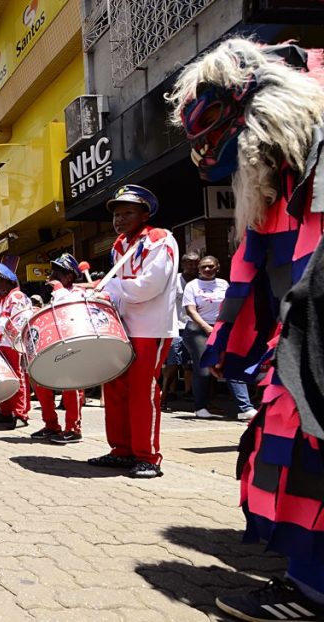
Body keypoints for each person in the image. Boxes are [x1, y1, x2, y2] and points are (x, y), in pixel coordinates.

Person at [168, 38, 324, 620]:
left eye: (211, 123)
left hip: (314, 347)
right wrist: (234, 343)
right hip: (299, 342)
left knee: (304, 445)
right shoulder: (278, 184)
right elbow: (256, 271)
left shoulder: (312, 159)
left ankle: (312, 593)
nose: (204, 146)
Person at [82, 184, 178, 479]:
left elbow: (150, 286)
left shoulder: (159, 239)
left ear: (145, 213)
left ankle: (148, 456)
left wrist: (105, 286)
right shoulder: (119, 245)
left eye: (127, 213)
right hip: (122, 327)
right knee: (115, 389)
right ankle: (121, 450)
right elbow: (120, 292)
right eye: (116, 214)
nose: (119, 220)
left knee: (141, 391)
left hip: (150, 327)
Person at [181, 256, 257, 421]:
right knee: (204, 369)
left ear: (217, 267)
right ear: (199, 269)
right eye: (203, 267)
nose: (207, 270)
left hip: (221, 329)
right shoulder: (192, 286)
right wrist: (206, 327)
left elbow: (230, 306)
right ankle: (200, 407)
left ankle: (245, 408)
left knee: (230, 364)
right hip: (197, 330)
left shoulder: (224, 284)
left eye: (210, 267)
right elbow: (191, 311)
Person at [30, 254, 86, 443]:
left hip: (74, 345)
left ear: (69, 276)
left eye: (57, 272)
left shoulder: (77, 293)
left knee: (71, 387)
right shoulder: (57, 294)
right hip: (55, 345)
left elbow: (70, 312)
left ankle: (73, 429)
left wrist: (58, 288)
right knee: (41, 383)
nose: (52, 276)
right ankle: (51, 425)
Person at [0, 263, 32, 429]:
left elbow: (18, 322)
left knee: (17, 378)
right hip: (1, 343)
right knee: (3, 378)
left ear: (7, 281)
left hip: (12, 344)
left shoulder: (17, 297)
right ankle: (5, 412)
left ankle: (20, 414)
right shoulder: (2, 299)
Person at [162, 251, 200, 411]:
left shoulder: (201, 281)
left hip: (196, 326)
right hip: (177, 327)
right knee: (173, 363)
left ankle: (195, 395)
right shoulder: (174, 281)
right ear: (183, 265)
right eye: (189, 263)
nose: (192, 266)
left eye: (195, 263)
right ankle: (163, 397)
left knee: (196, 364)